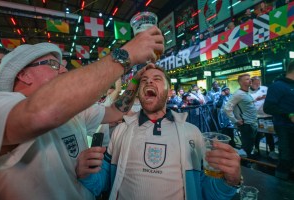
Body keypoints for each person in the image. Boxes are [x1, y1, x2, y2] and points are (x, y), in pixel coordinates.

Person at [0, 26, 164, 199]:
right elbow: (39, 114)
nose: (63, 70)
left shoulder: (74, 113)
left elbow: (115, 111)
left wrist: (135, 79)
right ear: (24, 75)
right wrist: (127, 54)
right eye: (53, 64)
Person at [76, 64, 241, 200]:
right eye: (144, 81)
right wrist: (86, 174)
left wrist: (230, 181)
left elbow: (207, 192)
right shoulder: (121, 131)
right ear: (139, 93)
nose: (149, 83)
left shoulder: (192, 133)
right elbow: (103, 182)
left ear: (170, 92)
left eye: (157, 79)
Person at [264, 61, 294, 180]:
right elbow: (268, 107)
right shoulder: (277, 86)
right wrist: (289, 114)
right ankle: (280, 187)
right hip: (284, 126)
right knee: (286, 156)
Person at [224, 74, 258, 159]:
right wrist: (235, 120)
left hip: (252, 123)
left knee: (250, 145)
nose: (250, 80)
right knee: (246, 146)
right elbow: (227, 108)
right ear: (241, 82)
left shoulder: (247, 92)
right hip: (246, 124)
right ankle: (244, 165)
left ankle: (248, 160)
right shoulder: (238, 94)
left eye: (249, 79)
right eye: (247, 79)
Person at [249, 76, 277, 159]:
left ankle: (272, 151)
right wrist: (256, 100)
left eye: (259, 83)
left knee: (269, 134)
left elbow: (273, 97)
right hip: (256, 116)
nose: (257, 85)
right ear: (251, 83)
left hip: (267, 116)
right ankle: (256, 149)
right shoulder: (248, 92)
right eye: (255, 83)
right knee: (257, 134)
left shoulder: (265, 88)